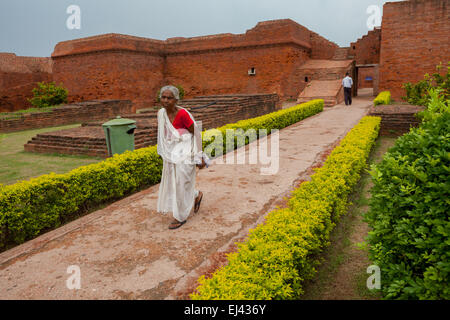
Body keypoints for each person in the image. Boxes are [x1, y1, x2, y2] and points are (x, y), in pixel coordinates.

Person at [156, 85, 207, 230]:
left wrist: (199, 156)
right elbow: (165, 134)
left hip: (186, 151)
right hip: (172, 153)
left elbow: (196, 133)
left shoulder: (183, 114)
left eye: (169, 98)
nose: (165, 100)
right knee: (175, 183)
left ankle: (180, 217)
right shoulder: (161, 114)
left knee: (181, 183)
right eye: (163, 97)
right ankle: (196, 194)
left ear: (176, 99)